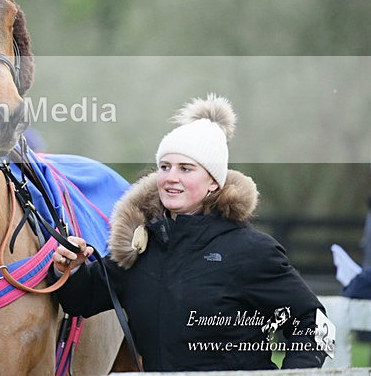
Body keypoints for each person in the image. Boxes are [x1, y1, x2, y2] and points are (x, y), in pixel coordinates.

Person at [52, 94, 327, 371]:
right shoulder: (138, 252)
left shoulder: (252, 251)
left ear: (213, 183)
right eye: (165, 167)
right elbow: (79, 301)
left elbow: (315, 324)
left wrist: (297, 373)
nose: (171, 178)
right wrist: (69, 268)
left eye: (186, 169)